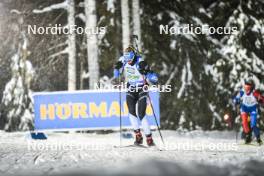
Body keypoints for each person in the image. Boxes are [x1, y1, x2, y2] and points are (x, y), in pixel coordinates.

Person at [113, 45, 158, 146]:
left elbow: (154, 77)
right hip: (131, 88)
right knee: (131, 112)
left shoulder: (140, 61)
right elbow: (116, 69)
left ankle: (149, 139)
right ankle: (138, 136)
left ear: (133, 57)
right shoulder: (123, 59)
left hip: (142, 88)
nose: (128, 61)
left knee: (141, 114)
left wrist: (149, 75)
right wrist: (116, 75)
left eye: (129, 59)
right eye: (126, 59)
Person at [233, 79, 264, 145]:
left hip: (253, 108)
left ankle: (258, 138)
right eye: (245, 87)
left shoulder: (254, 93)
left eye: (248, 87)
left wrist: (261, 100)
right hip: (244, 108)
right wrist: (236, 101)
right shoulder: (242, 92)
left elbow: (261, 98)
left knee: (253, 124)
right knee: (244, 122)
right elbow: (236, 98)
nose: (246, 89)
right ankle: (248, 136)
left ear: (251, 88)